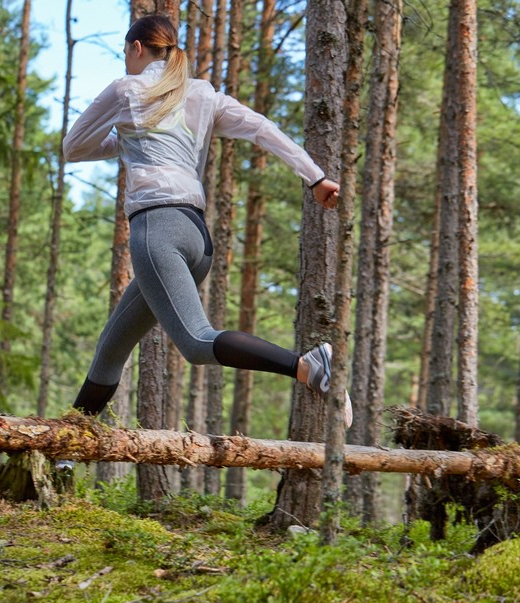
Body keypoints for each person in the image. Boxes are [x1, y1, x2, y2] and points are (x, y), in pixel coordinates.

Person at [63, 14, 352, 434]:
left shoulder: (127, 89)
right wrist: (316, 177)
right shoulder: (203, 93)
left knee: (197, 342)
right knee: (111, 349)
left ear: (137, 48)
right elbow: (261, 129)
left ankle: (307, 366)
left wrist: (122, 141)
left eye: (127, 53)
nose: (126, 61)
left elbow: (73, 147)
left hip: (156, 230)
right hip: (196, 237)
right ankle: (62, 456)